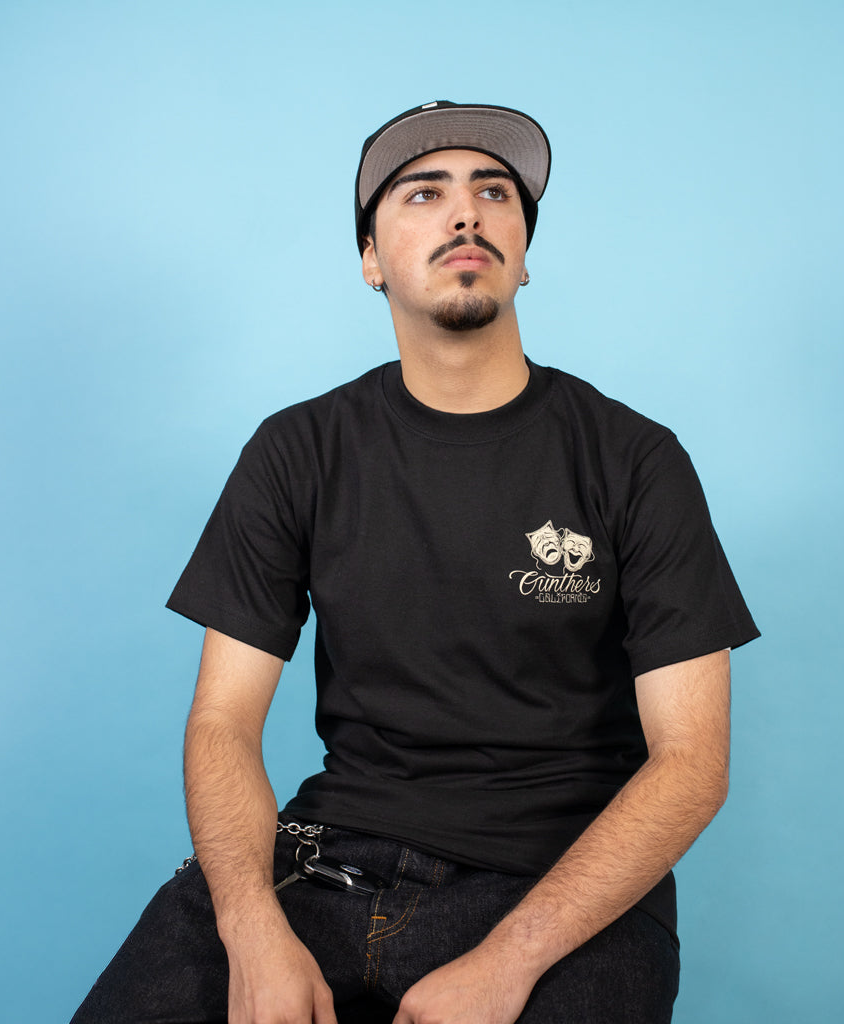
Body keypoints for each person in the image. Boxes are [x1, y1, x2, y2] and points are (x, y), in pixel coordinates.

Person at [71, 100, 759, 1024]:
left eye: (494, 192)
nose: (465, 213)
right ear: (369, 259)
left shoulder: (635, 459)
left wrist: (509, 961)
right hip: (320, 862)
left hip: (553, 886)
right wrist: (250, 923)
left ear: (522, 246)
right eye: (422, 194)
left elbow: (691, 765)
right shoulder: (298, 450)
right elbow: (223, 723)